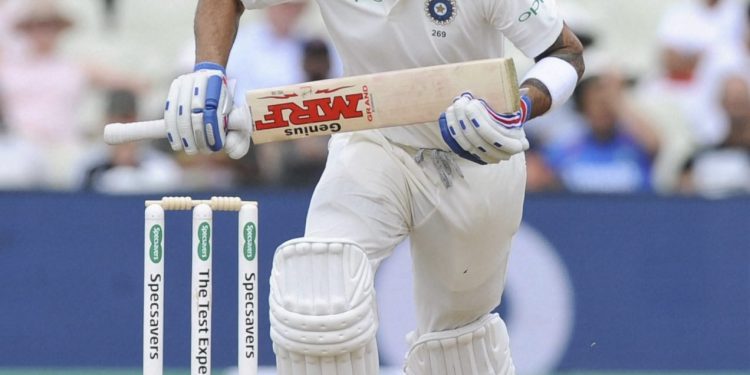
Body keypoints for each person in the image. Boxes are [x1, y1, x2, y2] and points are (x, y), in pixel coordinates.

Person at [161, 0, 583, 373]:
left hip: (476, 153)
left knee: (458, 351)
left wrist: (518, 106)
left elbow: (565, 52)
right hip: (373, 138)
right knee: (319, 299)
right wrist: (208, 71)